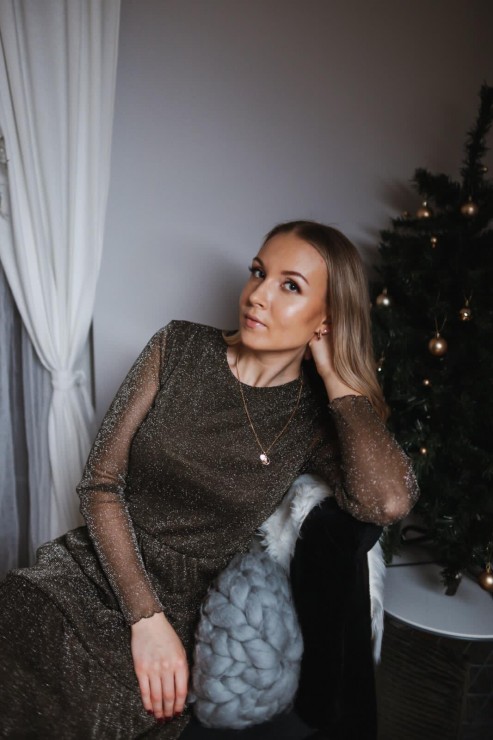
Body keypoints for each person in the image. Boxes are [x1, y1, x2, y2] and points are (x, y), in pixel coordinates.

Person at [0, 220, 419, 739]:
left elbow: (389, 501)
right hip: (94, 569)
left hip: (186, 609)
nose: (257, 294)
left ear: (326, 321)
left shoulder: (313, 420)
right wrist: (144, 617)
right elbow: (101, 484)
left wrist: (335, 376)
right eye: (258, 272)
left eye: (290, 285)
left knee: (89, 712)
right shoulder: (177, 347)